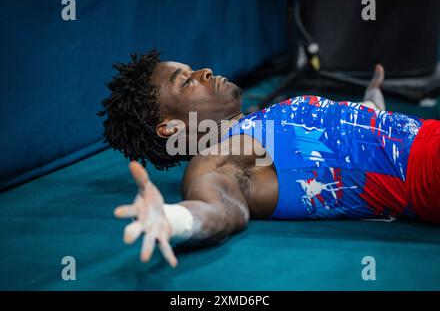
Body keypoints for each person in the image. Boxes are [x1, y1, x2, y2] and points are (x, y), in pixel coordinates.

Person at [98, 50, 440, 267]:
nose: (203, 71)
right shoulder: (217, 160)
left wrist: (370, 110)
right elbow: (217, 210)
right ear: (170, 128)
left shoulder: (255, 122)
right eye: (186, 81)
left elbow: (338, 151)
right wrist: (173, 220)